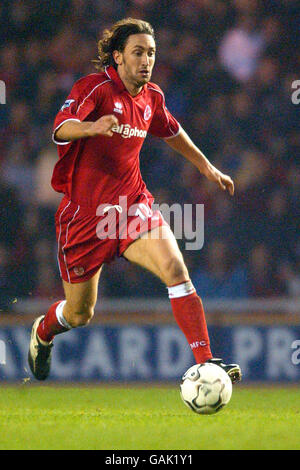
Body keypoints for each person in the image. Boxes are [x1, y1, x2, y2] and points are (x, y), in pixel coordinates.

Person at [28, 18, 241, 384]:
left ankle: (206, 362)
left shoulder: (152, 97)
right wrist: (90, 127)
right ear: (118, 57)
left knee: (176, 270)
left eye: (151, 53)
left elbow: (172, 131)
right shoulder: (93, 88)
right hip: (84, 218)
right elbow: (61, 126)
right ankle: (43, 332)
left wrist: (207, 169)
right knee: (80, 314)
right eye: (138, 52)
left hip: (131, 208)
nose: (146, 60)